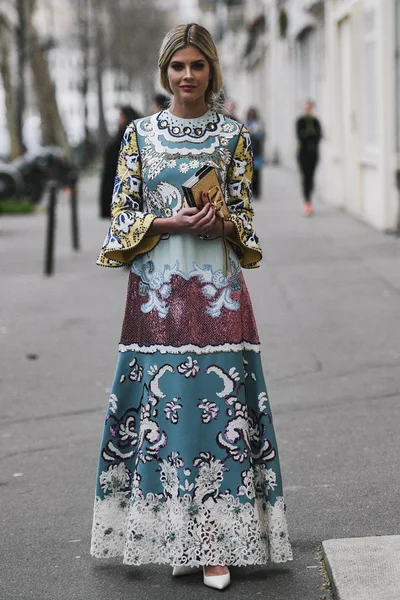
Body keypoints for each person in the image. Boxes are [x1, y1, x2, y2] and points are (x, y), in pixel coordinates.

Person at [91, 23, 292, 590]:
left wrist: (221, 221)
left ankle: (217, 547)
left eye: (196, 66)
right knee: (167, 413)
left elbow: (247, 223)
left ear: (211, 71)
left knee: (219, 412)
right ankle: (179, 536)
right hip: (156, 296)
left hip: (218, 291)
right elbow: (120, 220)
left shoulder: (232, 136)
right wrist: (167, 221)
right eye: (177, 67)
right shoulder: (138, 137)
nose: (186, 76)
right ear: (164, 73)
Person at [99, 105, 141, 219]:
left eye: (121, 116)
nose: (119, 119)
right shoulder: (124, 133)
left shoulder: (127, 134)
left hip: (120, 184)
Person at [296, 99, 323, 216]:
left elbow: (319, 135)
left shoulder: (315, 121)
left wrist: (308, 135)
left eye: (310, 108)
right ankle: (307, 201)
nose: (308, 110)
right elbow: (300, 136)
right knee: (305, 177)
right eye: (306, 108)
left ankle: (309, 197)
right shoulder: (300, 121)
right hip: (303, 154)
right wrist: (310, 135)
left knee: (311, 177)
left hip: (314, 153)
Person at [246, 107, 265, 200]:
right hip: (249, 152)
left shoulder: (259, 124)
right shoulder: (246, 124)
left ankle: (257, 192)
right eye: (250, 113)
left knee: (257, 173)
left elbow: (263, 136)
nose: (252, 115)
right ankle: (251, 191)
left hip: (257, 152)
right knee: (250, 173)